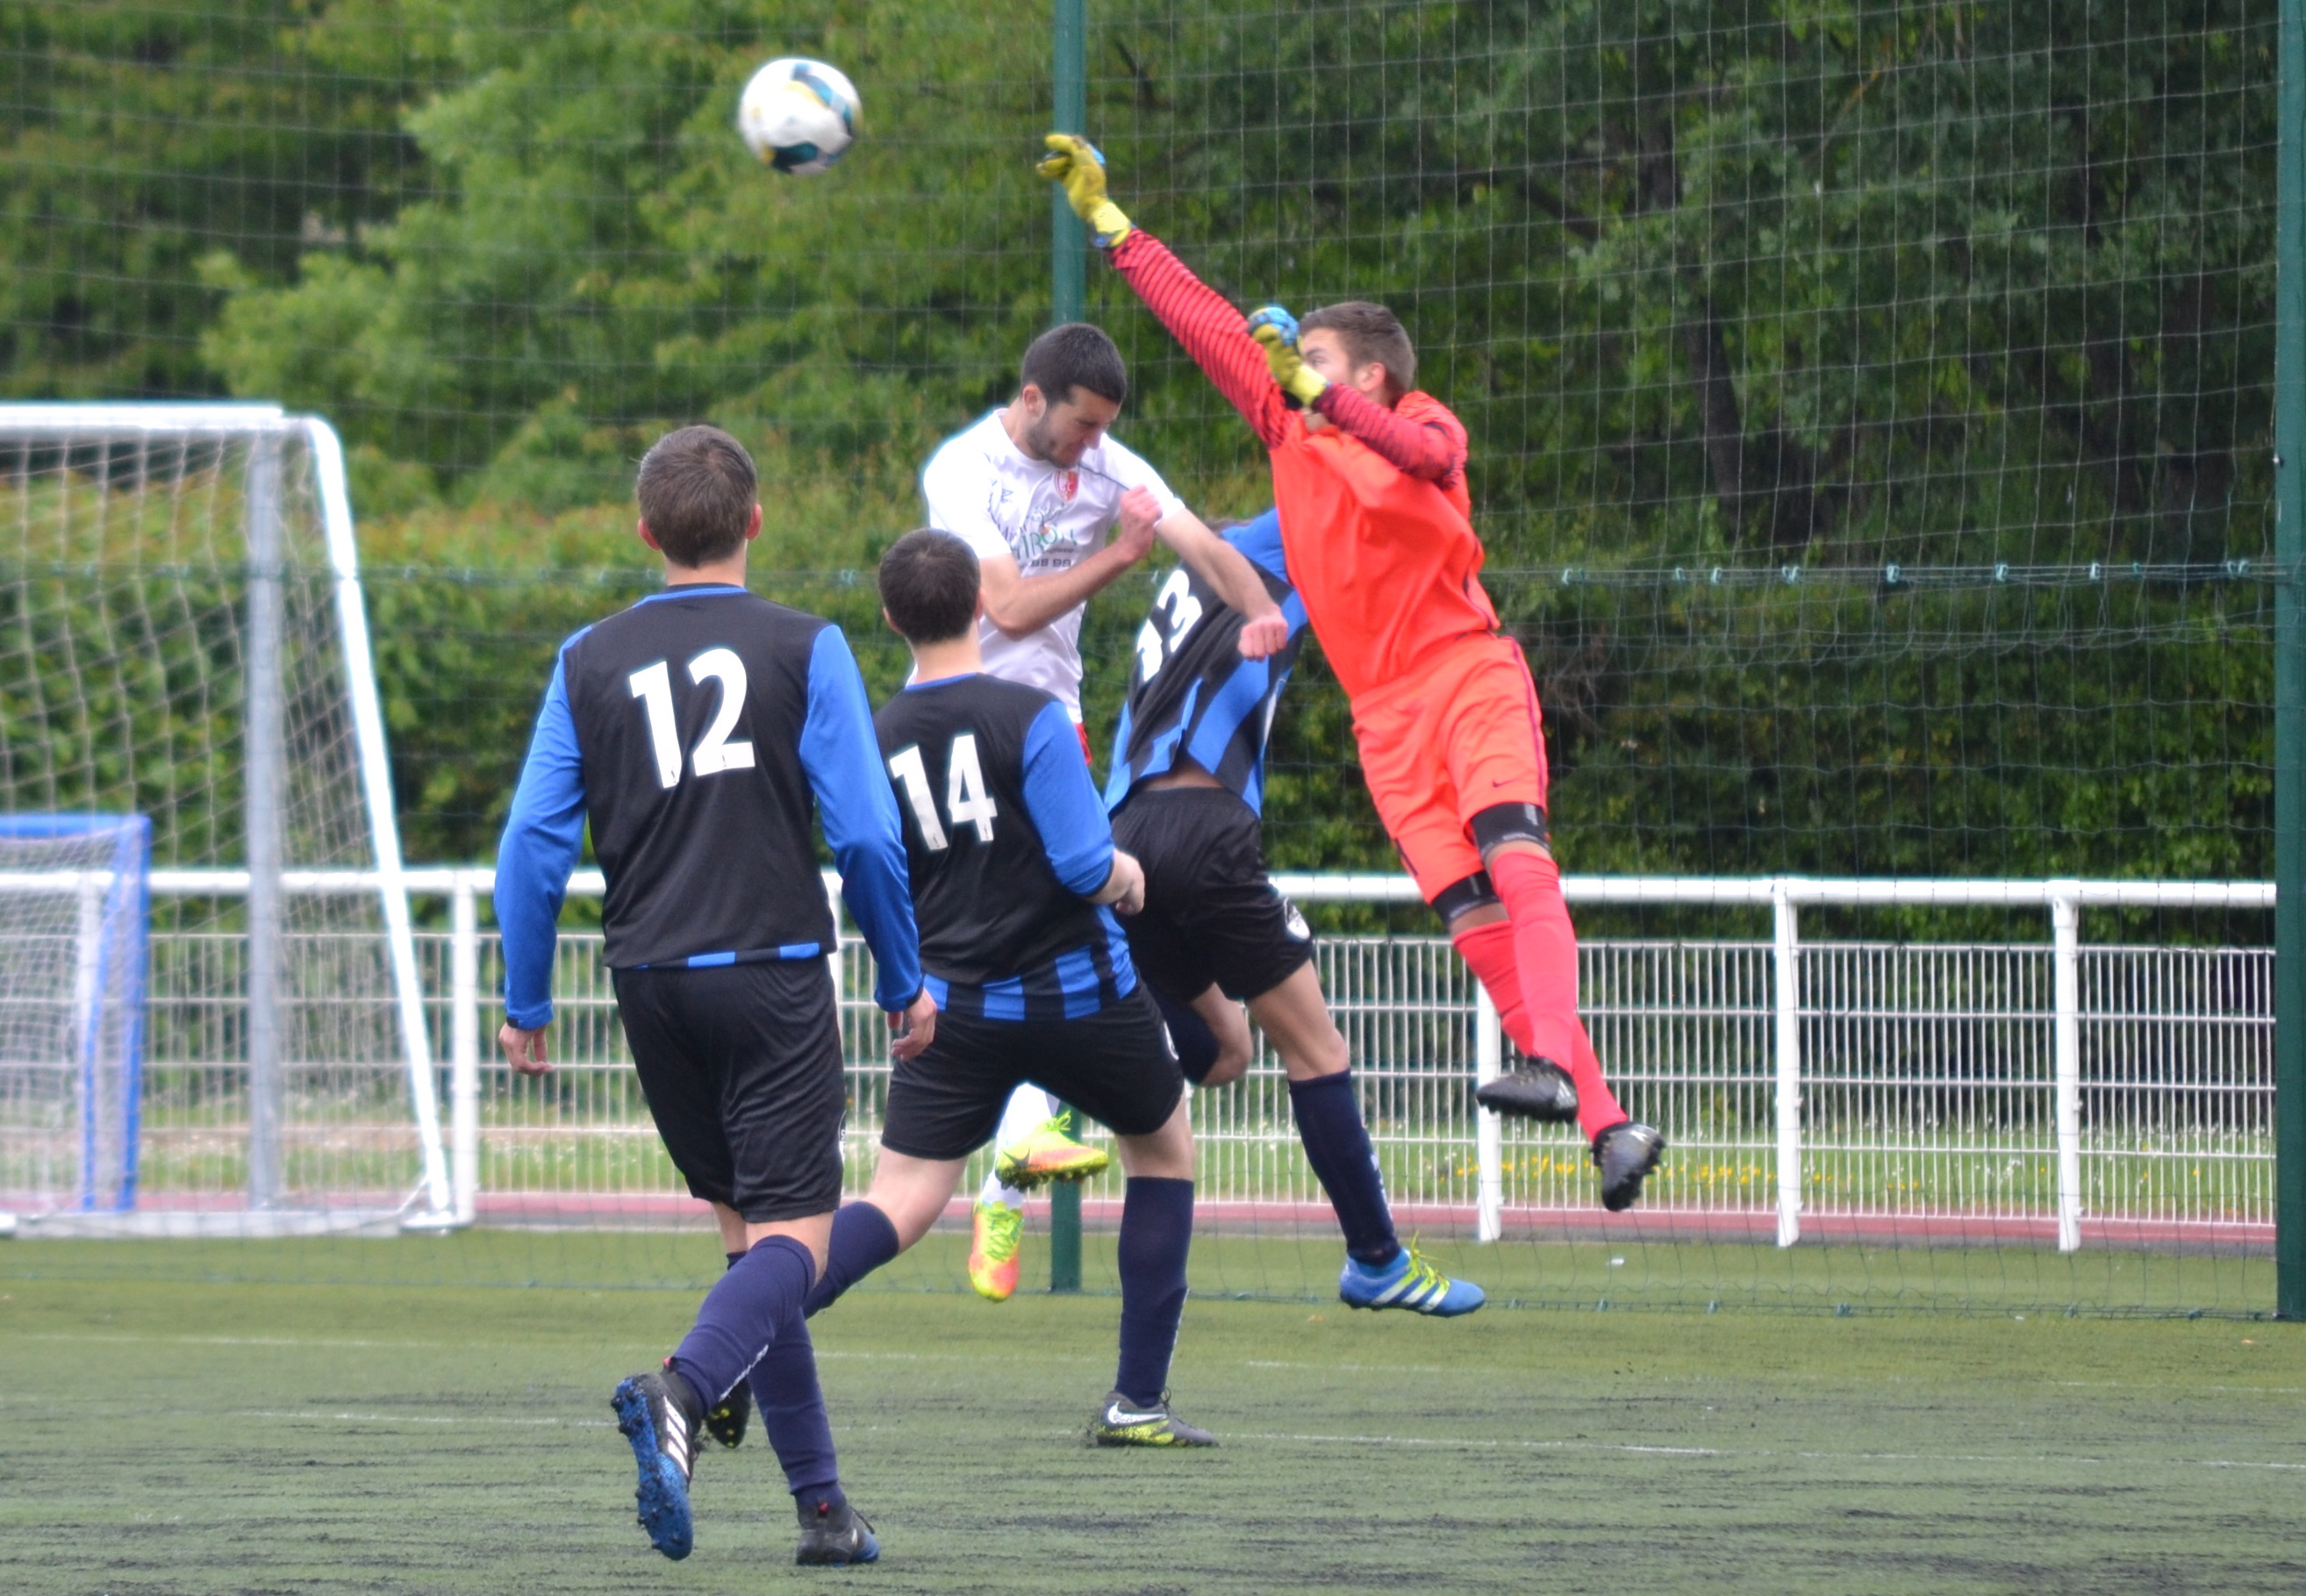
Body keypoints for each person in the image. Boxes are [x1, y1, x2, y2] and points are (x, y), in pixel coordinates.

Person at [1040, 134, 1668, 1210]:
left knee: (1517, 860)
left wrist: (1316, 393)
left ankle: (1566, 1075)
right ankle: (1606, 1121)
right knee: (1471, 915)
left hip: (1466, 670)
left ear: (1368, 372)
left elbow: (1420, 463)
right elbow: (1200, 318)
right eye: (1294, 363)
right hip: (1386, 716)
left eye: (1315, 356)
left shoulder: (1419, 421)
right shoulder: (1291, 415)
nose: (1292, 366)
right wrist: (1112, 226)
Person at [494, 426, 935, 1566]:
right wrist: (901, 974)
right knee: (796, 1234)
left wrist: (526, 998)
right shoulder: (807, 643)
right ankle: (683, 1384)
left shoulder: (586, 656)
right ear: (756, 521)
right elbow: (869, 838)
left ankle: (824, 1510)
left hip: (649, 984)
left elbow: (534, 845)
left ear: (645, 533)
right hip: (771, 972)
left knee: (755, 1242)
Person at [802, 528, 1217, 1447]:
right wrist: (1127, 874)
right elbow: (1079, 863)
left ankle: (750, 1332)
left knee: (901, 1201)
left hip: (952, 1009)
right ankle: (1135, 1401)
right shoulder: (1027, 712)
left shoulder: (873, 737)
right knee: (1163, 1152)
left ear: (889, 618)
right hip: (1082, 999)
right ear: (982, 605)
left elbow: (874, 866)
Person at [920, 318, 1290, 1298]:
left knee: (1198, 1029)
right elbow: (1003, 609)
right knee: (1075, 922)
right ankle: (1021, 1141)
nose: (1091, 447)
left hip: (1051, 733)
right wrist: (1120, 558)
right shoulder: (963, 473)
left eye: (1102, 432)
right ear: (1034, 400)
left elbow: (1201, 543)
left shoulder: (1109, 460)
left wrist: (1256, 609)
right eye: (1079, 428)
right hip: (968, 728)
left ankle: (1017, 1153)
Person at [1108, 506, 1485, 1313]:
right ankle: (1376, 1256)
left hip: (1129, 832)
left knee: (1224, 1050)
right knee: (1315, 1050)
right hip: (1205, 832)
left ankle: (1059, 1096)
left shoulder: (1188, 577)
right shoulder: (1293, 536)